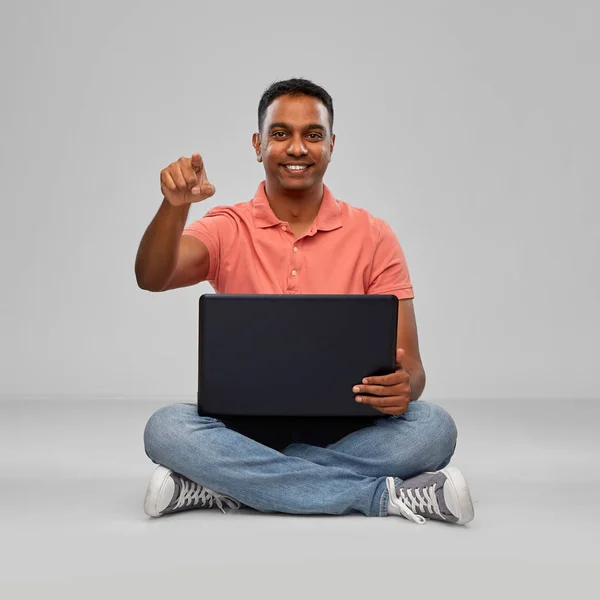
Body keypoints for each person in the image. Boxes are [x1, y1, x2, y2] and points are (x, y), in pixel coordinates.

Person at [135, 78, 475, 525]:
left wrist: (403, 388)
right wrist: (174, 206)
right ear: (258, 145)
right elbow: (152, 277)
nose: (298, 147)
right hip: (245, 426)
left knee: (433, 429)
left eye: (312, 135)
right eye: (281, 134)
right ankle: (381, 496)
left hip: (347, 426)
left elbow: (412, 370)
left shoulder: (374, 236)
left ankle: (225, 483)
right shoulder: (225, 227)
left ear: (331, 146)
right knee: (165, 428)